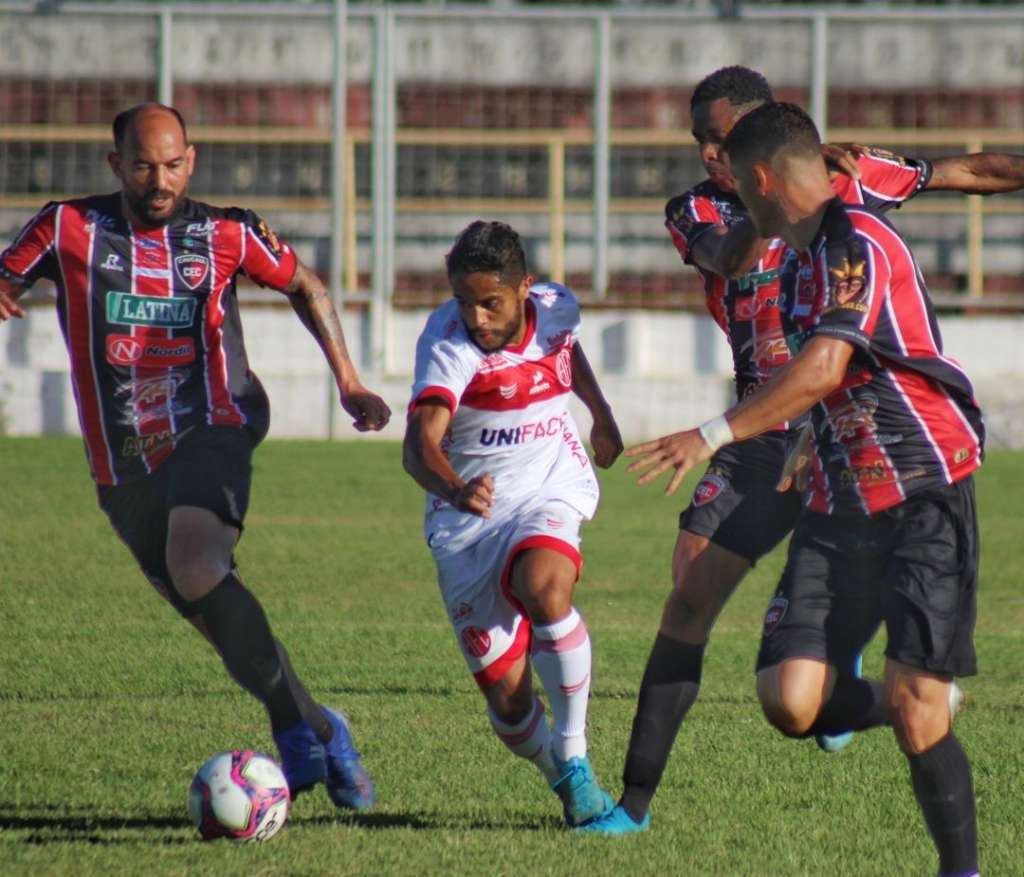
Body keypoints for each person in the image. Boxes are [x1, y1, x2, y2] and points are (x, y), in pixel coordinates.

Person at [584, 64, 1024, 834]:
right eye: (700, 140)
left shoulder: (845, 193)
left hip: (849, 433)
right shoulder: (696, 207)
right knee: (690, 589)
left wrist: (832, 174)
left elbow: (968, 172)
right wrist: (779, 196)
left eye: (721, 138)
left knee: (829, 662)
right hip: (761, 428)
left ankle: (855, 671)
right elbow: (730, 259)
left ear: (765, 133)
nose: (707, 154)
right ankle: (634, 803)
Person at [0, 103, 391, 810]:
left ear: (192, 160)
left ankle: (291, 732)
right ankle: (322, 727)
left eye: (173, 165)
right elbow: (7, 277)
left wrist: (350, 381)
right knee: (211, 612)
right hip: (122, 464)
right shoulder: (65, 227)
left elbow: (305, 284)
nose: (160, 180)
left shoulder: (226, 233)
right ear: (116, 164)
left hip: (215, 422)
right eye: (143, 166)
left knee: (196, 564)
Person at [402, 220, 624, 827]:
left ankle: (574, 752)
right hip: (469, 520)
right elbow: (418, 446)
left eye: (490, 302)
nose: (476, 318)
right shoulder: (449, 346)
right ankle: (561, 776)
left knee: (544, 586)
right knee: (508, 702)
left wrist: (600, 414)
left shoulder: (557, 306)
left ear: (525, 287)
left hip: (548, 483)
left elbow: (566, 351)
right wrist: (456, 487)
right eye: (464, 301)